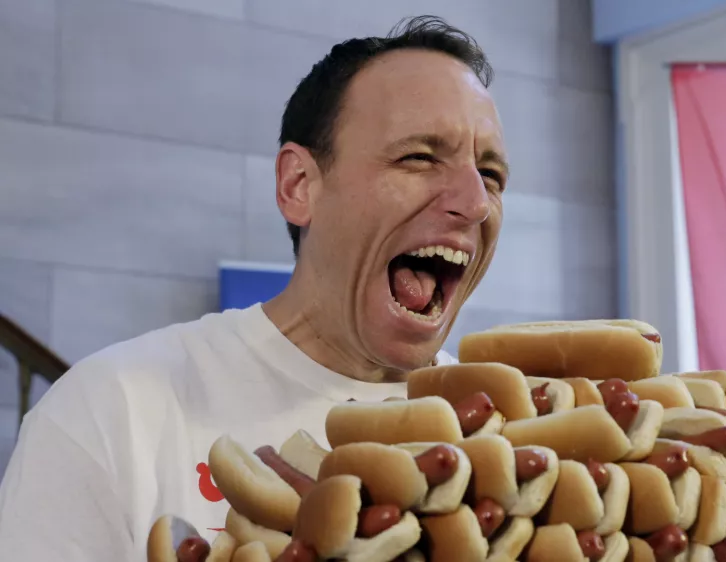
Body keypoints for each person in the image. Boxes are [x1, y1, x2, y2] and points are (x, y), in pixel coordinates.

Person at [0, 16, 507, 560]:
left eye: (491, 175)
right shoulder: (109, 409)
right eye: (419, 157)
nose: (476, 203)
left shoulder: (507, 436)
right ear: (299, 185)